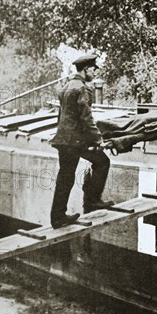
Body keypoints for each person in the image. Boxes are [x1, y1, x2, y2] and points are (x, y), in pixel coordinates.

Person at [49, 54, 113, 229]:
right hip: (74, 141)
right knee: (102, 162)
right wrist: (98, 139)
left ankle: (58, 216)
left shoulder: (66, 86)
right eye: (93, 69)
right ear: (86, 70)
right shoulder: (82, 88)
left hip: (64, 139)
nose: (94, 73)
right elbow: (86, 118)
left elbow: (63, 116)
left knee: (65, 177)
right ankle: (91, 200)